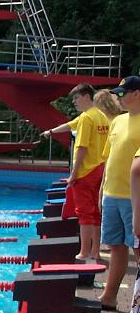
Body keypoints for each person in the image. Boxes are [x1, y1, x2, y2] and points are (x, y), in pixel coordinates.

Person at [48, 84, 110, 261]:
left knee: (84, 213)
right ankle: (95, 251)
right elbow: (69, 125)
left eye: (76, 98)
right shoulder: (101, 117)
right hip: (100, 168)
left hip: (85, 172)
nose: (74, 102)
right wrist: (50, 132)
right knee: (97, 212)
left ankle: (84, 251)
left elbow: (81, 148)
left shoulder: (86, 119)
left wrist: (73, 175)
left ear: (86, 97)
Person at [99, 76, 140, 310]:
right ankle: (109, 296)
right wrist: (101, 191)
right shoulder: (118, 121)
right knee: (116, 246)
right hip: (112, 193)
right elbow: (108, 159)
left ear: (137, 94)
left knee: (137, 248)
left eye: (123, 94)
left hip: (134, 198)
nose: (119, 98)